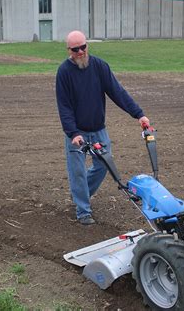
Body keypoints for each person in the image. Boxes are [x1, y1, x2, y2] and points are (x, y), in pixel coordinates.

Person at [56, 30, 150, 225]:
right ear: (69, 50)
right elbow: (64, 106)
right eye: (76, 49)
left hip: (98, 129)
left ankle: (81, 194)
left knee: (102, 166)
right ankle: (83, 211)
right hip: (77, 133)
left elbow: (118, 92)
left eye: (83, 47)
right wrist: (73, 133)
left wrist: (139, 114)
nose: (80, 52)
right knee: (78, 171)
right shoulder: (64, 72)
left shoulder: (99, 66)